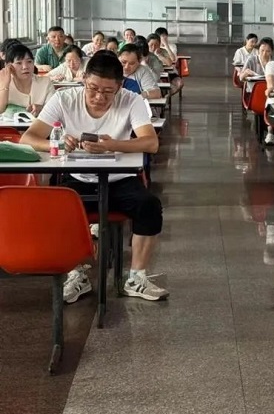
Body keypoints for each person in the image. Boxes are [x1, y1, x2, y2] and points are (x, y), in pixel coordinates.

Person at [20, 51, 167, 303]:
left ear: (119, 86)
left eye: (108, 91)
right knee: (57, 210)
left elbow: (151, 143)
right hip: (77, 177)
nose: (99, 97)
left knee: (149, 206)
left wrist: (113, 145)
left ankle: (136, 277)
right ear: (83, 80)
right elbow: (29, 138)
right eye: (93, 88)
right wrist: (57, 144)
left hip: (119, 178)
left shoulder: (131, 100)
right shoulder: (64, 99)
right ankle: (76, 274)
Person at [0, 44, 54, 116]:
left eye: (29, 61)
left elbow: (54, 110)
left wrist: (42, 108)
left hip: (39, 123)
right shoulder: (2, 82)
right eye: (19, 63)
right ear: (8, 66)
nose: (25, 67)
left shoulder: (45, 83)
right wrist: (4, 86)